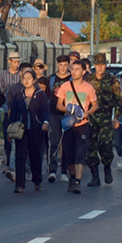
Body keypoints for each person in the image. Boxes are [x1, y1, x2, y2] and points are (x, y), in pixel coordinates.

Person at [55, 57, 99, 194]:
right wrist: (68, 109)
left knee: (81, 153)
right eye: (72, 69)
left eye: (77, 69)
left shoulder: (89, 88)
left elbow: (95, 105)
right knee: (69, 155)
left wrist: (87, 113)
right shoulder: (65, 86)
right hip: (69, 124)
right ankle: (72, 176)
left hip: (82, 124)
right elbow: (58, 105)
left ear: (84, 72)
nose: (74, 72)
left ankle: (78, 181)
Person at [3, 66, 50, 193]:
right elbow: (13, 113)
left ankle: (37, 180)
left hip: (36, 129)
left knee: (35, 155)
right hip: (21, 130)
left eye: (29, 78)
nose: (27, 80)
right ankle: (20, 184)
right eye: (24, 78)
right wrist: (10, 129)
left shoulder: (40, 95)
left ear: (34, 80)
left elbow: (45, 111)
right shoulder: (19, 95)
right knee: (20, 156)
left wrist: (45, 122)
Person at [86, 60, 122, 187]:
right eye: (98, 65)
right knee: (90, 147)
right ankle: (94, 176)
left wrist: (116, 117)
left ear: (105, 66)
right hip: (91, 116)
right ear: (94, 66)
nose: (100, 67)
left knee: (105, 144)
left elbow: (118, 100)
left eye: (102, 65)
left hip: (106, 116)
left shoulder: (112, 80)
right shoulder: (88, 79)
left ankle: (107, 167)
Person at [44, 53, 71, 182]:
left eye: (65, 65)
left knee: (66, 143)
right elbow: (46, 96)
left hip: (68, 114)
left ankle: (64, 171)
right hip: (53, 114)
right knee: (53, 142)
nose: (63, 68)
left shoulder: (72, 79)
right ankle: (52, 170)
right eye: (60, 65)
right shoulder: (51, 79)